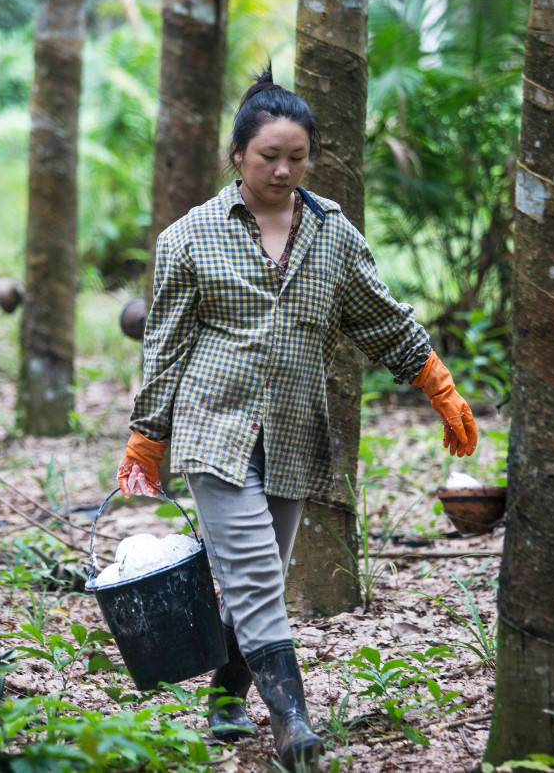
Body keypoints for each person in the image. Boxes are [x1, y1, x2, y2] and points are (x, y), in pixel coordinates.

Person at [116, 68, 477, 771]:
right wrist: (147, 436)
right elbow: (165, 347)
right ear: (237, 156)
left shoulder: (332, 232)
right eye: (267, 157)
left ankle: (226, 693)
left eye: (296, 157)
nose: (282, 170)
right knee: (253, 576)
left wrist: (437, 382)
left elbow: (378, 316)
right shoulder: (189, 237)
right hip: (215, 427)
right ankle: (293, 726)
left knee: (263, 579)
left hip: (293, 428)